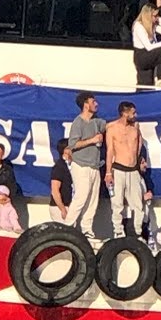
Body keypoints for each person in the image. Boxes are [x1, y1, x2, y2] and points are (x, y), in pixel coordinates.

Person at [66, 91, 106, 239]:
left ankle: (87, 230)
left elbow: (109, 126)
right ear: (85, 104)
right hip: (81, 165)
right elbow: (72, 144)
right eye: (93, 101)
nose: (96, 104)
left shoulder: (97, 121)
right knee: (81, 197)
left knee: (92, 200)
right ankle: (67, 226)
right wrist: (92, 140)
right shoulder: (78, 122)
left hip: (95, 166)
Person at [104, 101, 144, 239]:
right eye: (133, 113)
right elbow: (109, 151)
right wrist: (108, 172)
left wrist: (139, 161)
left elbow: (139, 146)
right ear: (125, 113)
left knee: (138, 204)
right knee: (117, 203)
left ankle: (137, 231)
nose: (135, 115)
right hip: (118, 169)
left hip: (133, 170)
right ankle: (118, 231)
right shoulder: (112, 128)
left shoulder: (136, 128)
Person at [49, 138, 73, 223]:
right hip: (59, 207)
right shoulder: (59, 167)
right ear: (65, 150)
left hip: (70, 205)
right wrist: (62, 209)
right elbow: (55, 190)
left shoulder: (72, 166)